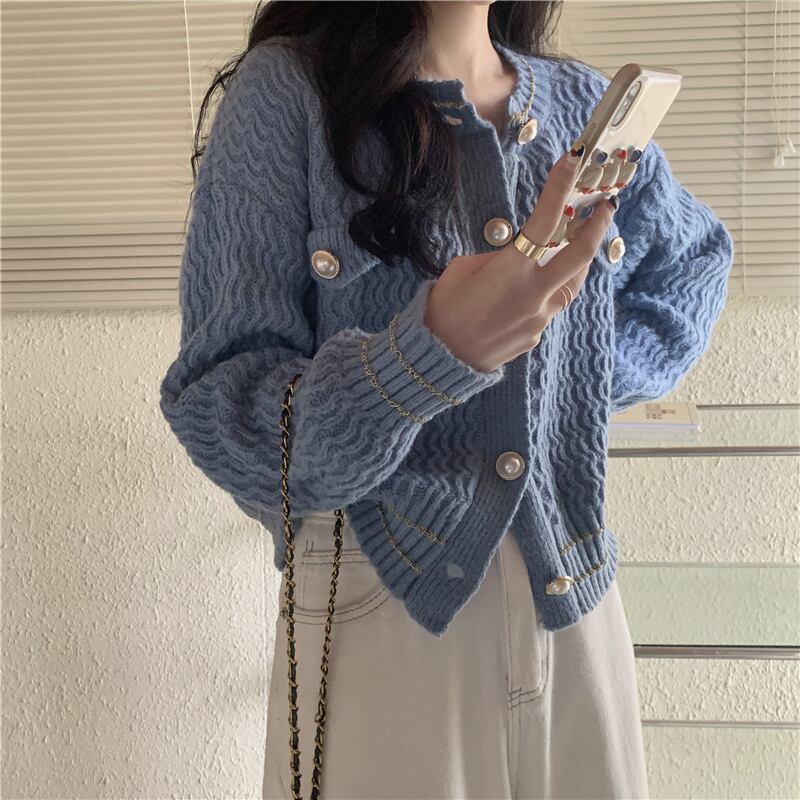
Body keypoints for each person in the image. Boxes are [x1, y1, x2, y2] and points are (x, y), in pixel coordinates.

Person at [159, 1, 734, 798]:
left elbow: (692, 267)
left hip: (575, 602)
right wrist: (427, 358)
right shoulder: (291, 95)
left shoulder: (579, 102)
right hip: (383, 608)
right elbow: (226, 410)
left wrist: (560, 379)